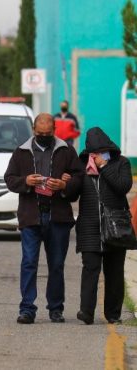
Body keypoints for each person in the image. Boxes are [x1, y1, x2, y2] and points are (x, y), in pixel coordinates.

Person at [4, 113, 83, 324]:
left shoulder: (66, 150)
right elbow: (10, 179)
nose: (44, 136)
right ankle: (27, 309)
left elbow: (80, 177)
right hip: (31, 216)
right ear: (34, 130)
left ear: (54, 130)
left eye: (48, 133)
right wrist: (26, 181)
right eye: (40, 133)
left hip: (58, 217)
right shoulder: (22, 151)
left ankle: (56, 308)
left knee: (56, 264)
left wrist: (66, 185)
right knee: (29, 262)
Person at [75, 127, 134, 325]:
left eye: (102, 151)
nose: (98, 155)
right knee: (90, 269)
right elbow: (73, 193)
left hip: (116, 226)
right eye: (95, 153)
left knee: (115, 272)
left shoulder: (121, 163)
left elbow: (122, 187)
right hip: (89, 227)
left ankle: (113, 314)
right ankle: (86, 312)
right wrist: (66, 184)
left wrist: (104, 167)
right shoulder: (82, 165)